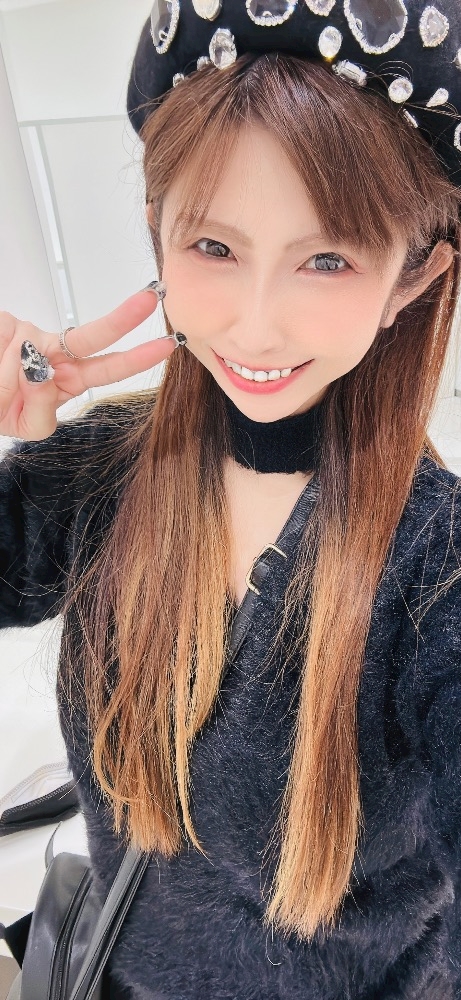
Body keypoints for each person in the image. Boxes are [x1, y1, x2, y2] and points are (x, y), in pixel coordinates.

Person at [1, 1, 461, 996]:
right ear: (156, 234)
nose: (255, 327)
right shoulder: (105, 472)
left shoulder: (436, 571)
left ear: (411, 279)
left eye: (327, 259)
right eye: (213, 247)